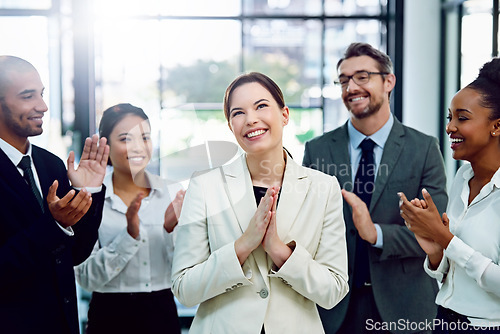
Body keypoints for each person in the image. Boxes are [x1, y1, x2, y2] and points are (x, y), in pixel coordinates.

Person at [171, 72, 349, 333]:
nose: (250, 119)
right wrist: (243, 246)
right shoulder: (205, 186)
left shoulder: (323, 187)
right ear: (231, 126)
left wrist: (279, 251)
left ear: (285, 115)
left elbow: (333, 290)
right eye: (237, 113)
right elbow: (184, 289)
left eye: (261, 106)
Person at [302, 42, 448, 334]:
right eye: (343, 80)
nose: (351, 87)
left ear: (388, 81)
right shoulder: (317, 150)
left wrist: (375, 233)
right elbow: (306, 226)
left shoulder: (423, 149)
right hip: (333, 309)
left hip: (403, 308)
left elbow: (437, 233)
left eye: (362, 77)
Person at [0, 55, 109, 334]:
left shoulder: (51, 164)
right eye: (28, 96)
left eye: (42, 94)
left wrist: (90, 190)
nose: (43, 106)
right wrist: (54, 225)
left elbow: (74, 254)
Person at [399, 58, 500, 333]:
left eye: (462, 118)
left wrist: (447, 239)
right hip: (446, 320)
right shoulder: (461, 178)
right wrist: (436, 252)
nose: (449, 127)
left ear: (497, 126)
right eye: (449, 117)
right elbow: (451, 274)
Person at [75, 103, 185, 334]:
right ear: (105, 144)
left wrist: (170, 230)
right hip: (108, 316)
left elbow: (188, 272)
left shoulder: (173, 193)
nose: (138, 148)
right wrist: (129, 236)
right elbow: (85, 278)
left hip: (162, 315)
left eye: (144, 137)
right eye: (125, 139)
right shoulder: (89, 198)